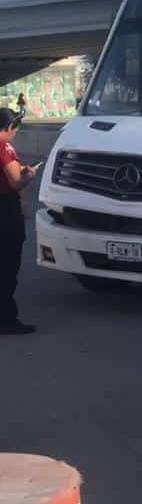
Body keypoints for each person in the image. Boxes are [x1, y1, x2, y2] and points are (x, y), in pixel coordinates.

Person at [0, 107, 39, 336]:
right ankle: (6, 320)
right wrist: (29, 175)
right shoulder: (4, 147)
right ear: (9, 127)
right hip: (5, 209)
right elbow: (15, 182)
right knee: (7, 267)